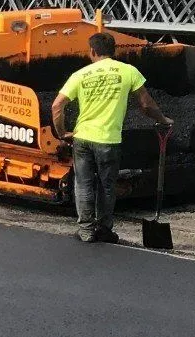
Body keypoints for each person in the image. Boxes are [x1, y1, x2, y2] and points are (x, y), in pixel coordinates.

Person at [51, 32, 175, 243]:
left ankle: (87, 231)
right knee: (107, 186)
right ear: (114, 50)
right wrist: (163, 119)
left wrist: (62, 133)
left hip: (82, 137)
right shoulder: (128, 71)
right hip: (109, 139)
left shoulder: (81, 74)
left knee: (83, 184)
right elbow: (146, 104)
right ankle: (104, 229)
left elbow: (57, 105)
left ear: (92, 51)